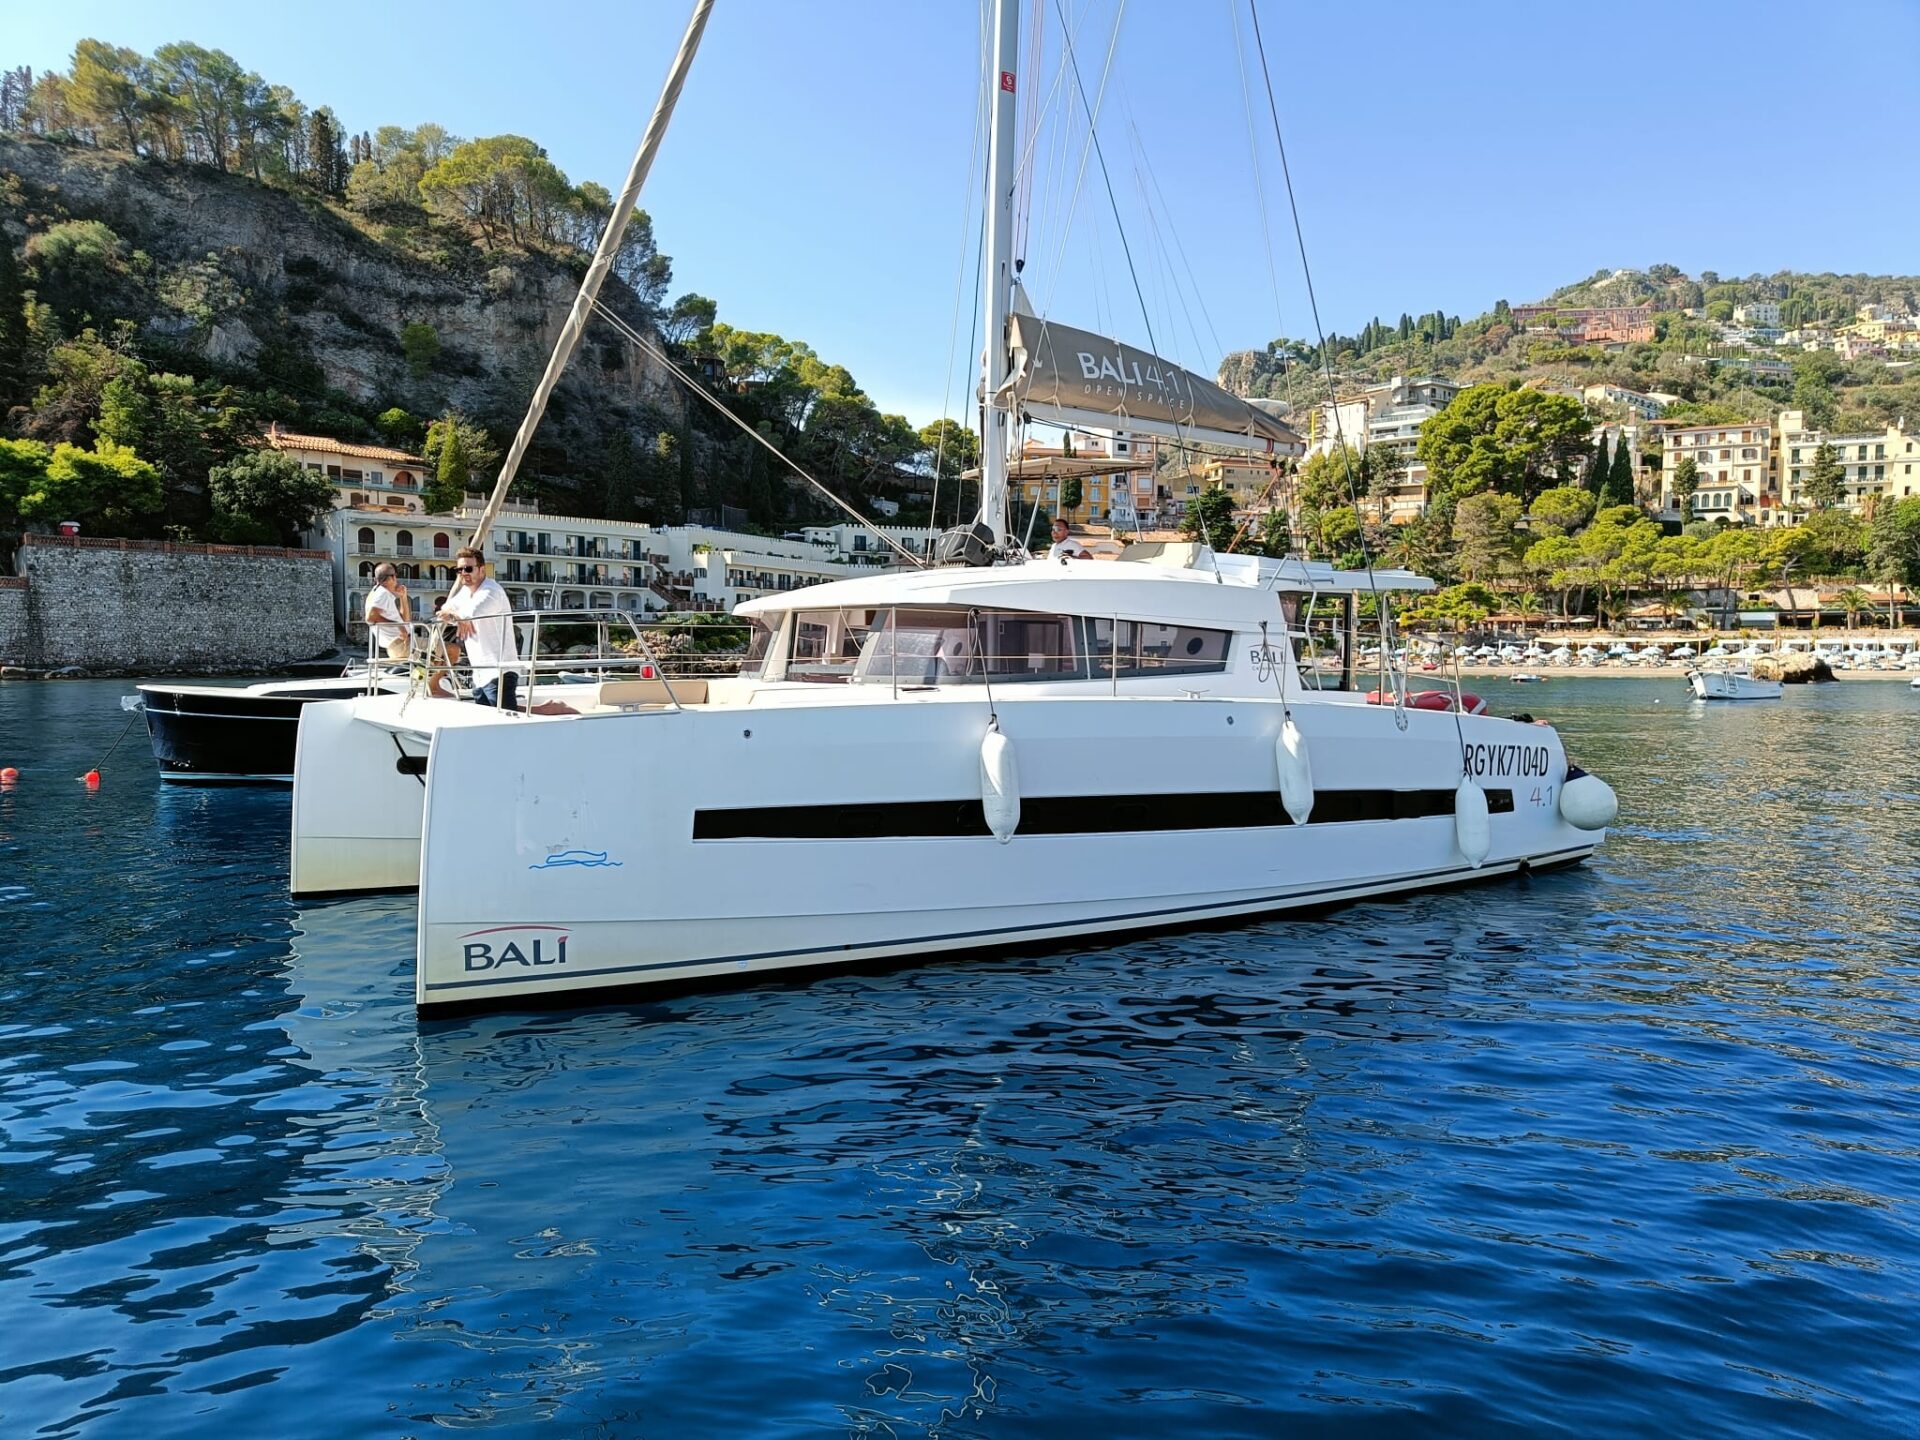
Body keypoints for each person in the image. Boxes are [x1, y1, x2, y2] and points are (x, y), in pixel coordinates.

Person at [438, 546, 521, 708]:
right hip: (480, 673)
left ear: (482, 569)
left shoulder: (492, 591)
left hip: (500, 671)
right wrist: (458, 618)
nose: (463, 573)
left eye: (468, 568)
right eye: (459, 570)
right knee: (486, 722)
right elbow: (444, 610)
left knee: (503, 724)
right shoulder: (465, 592)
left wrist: (457, 617)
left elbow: (476, 611)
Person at [364, 564, 411, 662]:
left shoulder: (378, 593)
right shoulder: (382, 594)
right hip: (401, 644)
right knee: (450, 650)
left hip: (397, 646)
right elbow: (370, 618)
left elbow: (405, 621)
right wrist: (398, 625)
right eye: (395, 575)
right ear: (392, 577)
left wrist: (403, 597)